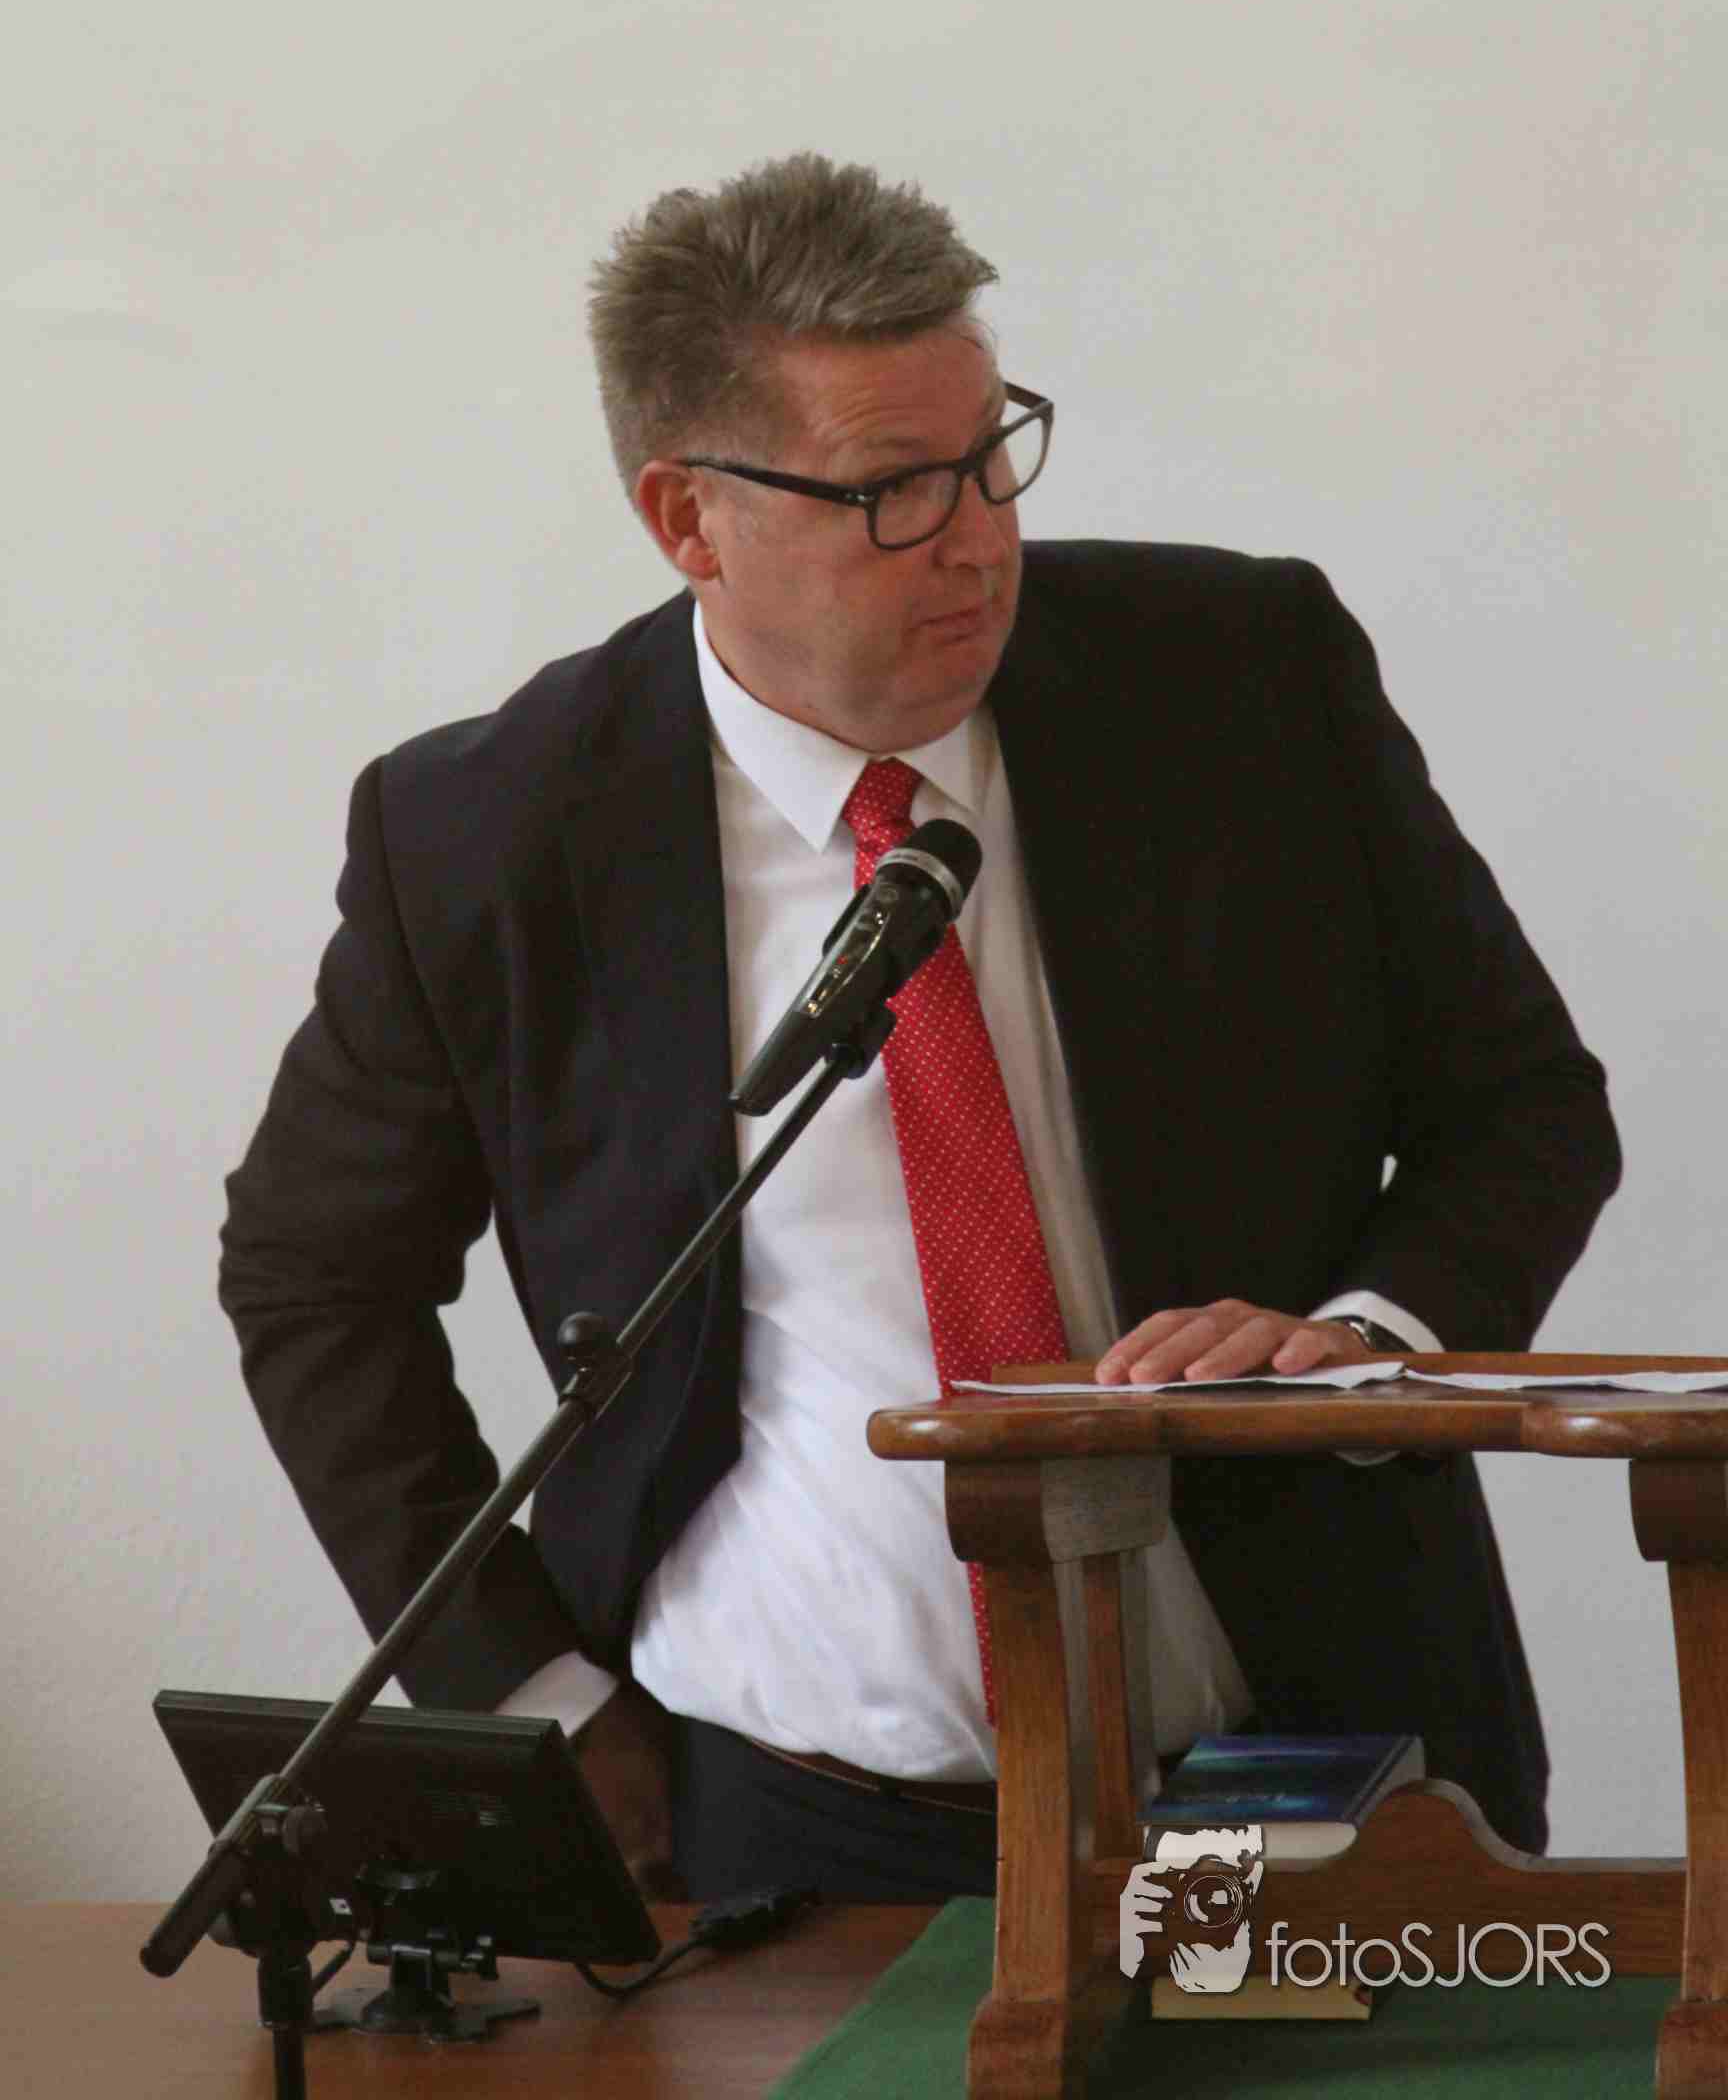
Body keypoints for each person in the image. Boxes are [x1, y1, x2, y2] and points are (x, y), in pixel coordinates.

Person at [218, 153, 1620, 1902]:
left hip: (1314, 1764)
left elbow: (1524, 1101)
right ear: (687, 519)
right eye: (893, 490)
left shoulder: (1243, 676)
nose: (977, 537)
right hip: (794, 1824)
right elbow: (313, 1279)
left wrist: (1360, 1348)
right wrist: (533, 1696)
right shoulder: (491, 836)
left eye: (990, 456)